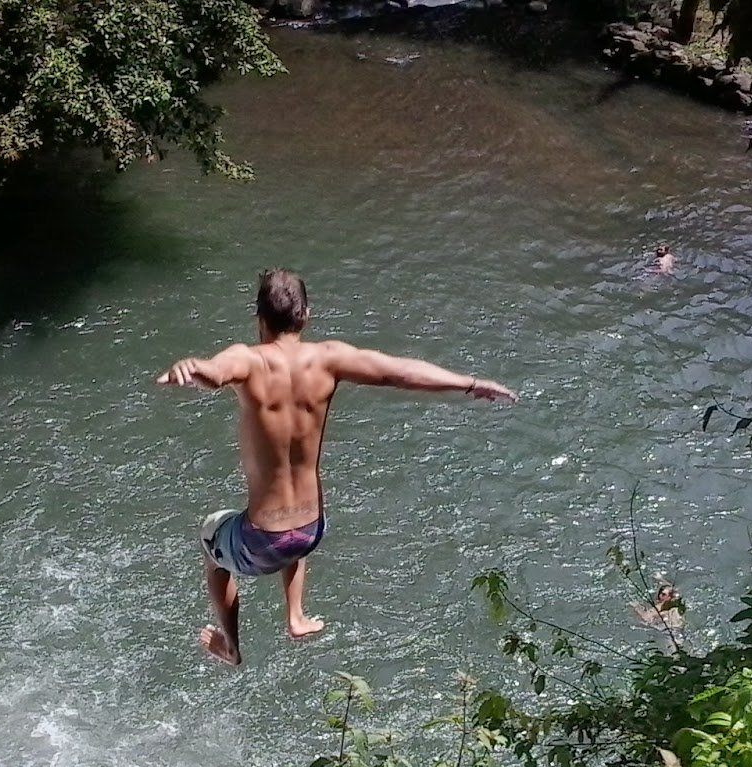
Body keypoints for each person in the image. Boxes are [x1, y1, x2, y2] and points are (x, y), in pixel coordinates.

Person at [156, 269, 516, 666]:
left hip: (261, 540)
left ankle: (231, 646)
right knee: (291, 531)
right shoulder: (329, 358)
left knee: (211, 535)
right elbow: (397, 370)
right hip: (311, 530)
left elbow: (217, 372)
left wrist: (193, 368)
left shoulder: (250, 359)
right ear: (305, 315)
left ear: (258, 317)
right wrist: (470, 382)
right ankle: (295, 615)